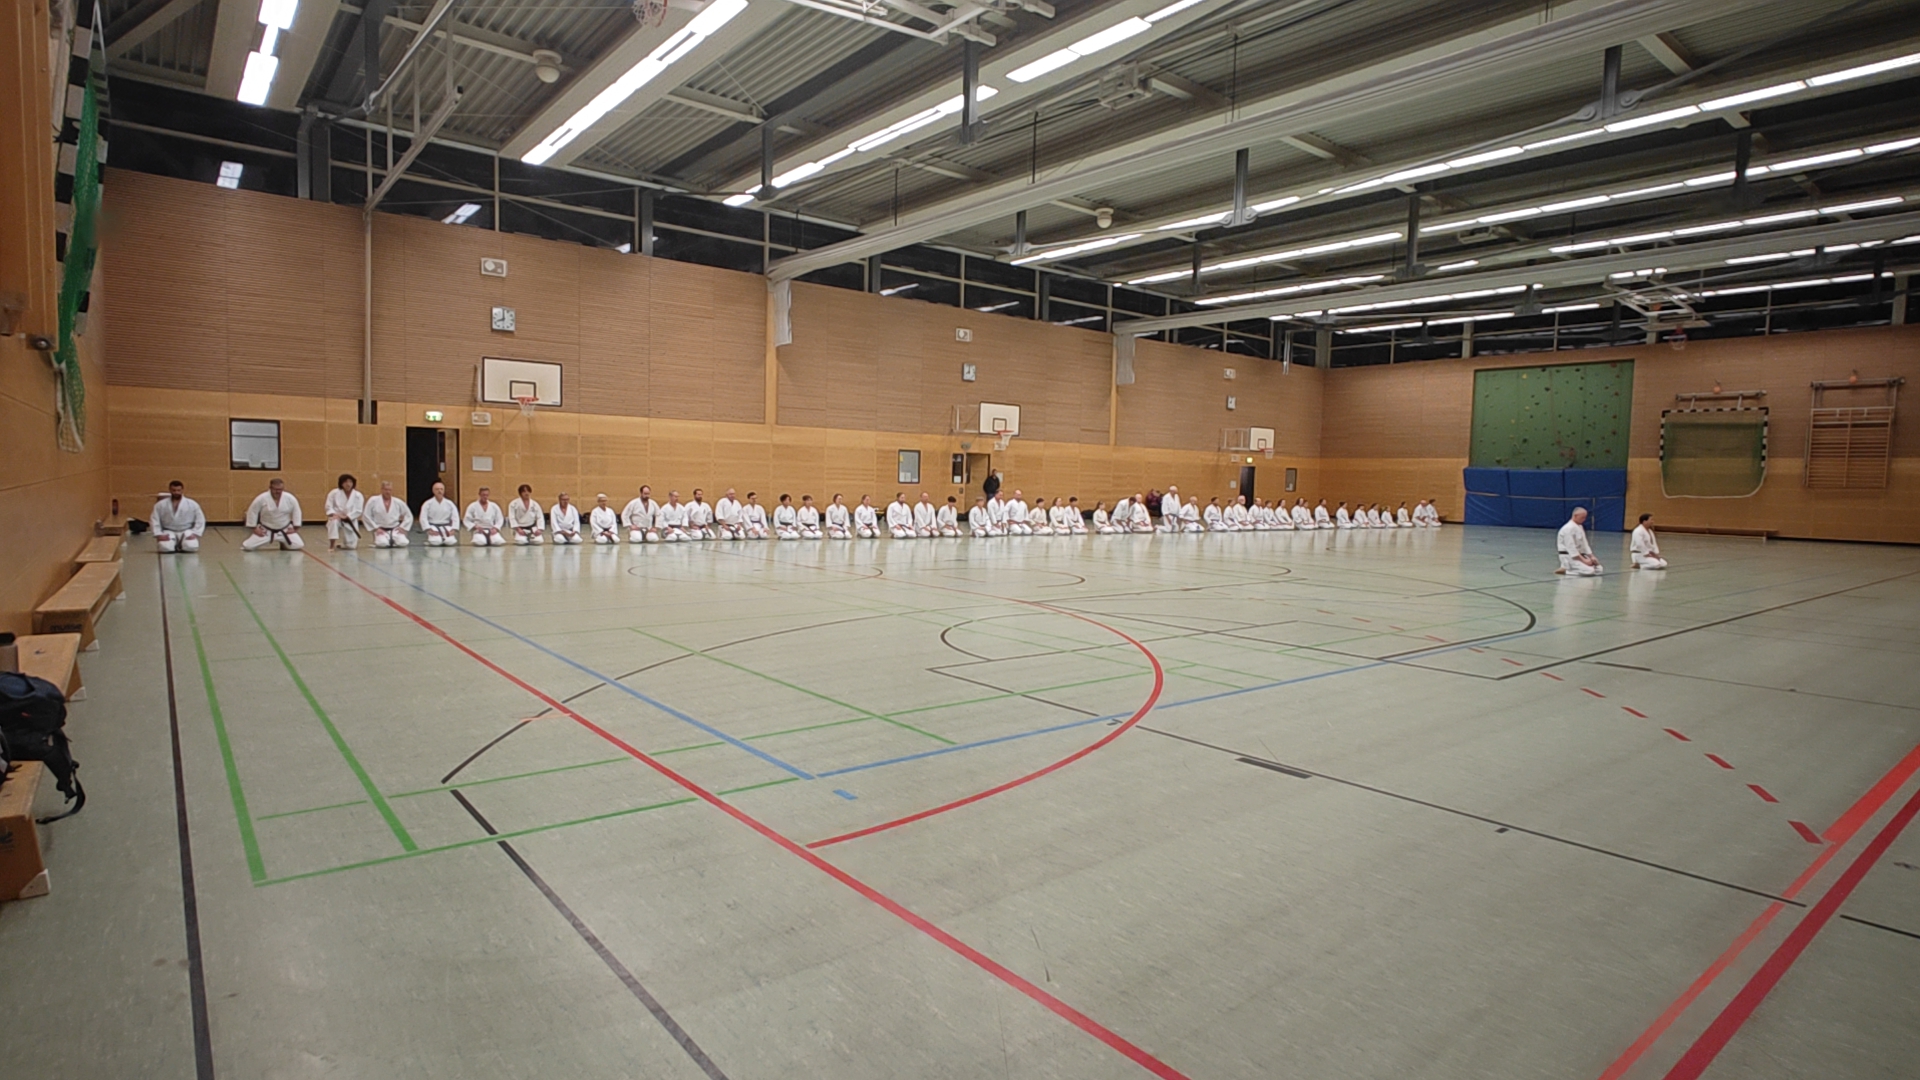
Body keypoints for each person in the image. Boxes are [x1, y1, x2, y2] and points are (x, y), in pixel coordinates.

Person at [243, 478, 304, 551]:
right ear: (270, 488)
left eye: (280, 489)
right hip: (266, 530)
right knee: (248, 546)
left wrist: (295, 528)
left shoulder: (290, 498)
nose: (278, 492)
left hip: (284, 530)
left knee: (298, 545)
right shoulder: (262, 498)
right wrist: (254, 529)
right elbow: (252, 511)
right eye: (275, 489)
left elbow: (297, 512)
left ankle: (283, 543)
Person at [151, 480, 206, 553]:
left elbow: (200, 519)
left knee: (191, 546)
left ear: (182, 490)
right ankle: (175, 544)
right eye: (174, 490)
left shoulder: (192, 504)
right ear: (170, 490)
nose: (176, 492)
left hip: (186, 530)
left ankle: (181, 544)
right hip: (168, 531)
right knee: (165, 547)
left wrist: (195, 533)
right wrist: (158, 534)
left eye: (178, 490)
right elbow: (154, 520)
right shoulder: (160, 505)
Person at [363, 481, 413, 547]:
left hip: (395, 529)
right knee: (382, 544)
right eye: (386, 489)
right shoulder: (373, 500)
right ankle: (385, 540)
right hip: (380, 529)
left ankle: (392, 540)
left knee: (403, 542)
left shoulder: (398, 501)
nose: (388, 492)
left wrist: (403, 527)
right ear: (381, 489)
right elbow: (366, 515)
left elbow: (408, 515)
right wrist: (376, 528)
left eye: (390, 490)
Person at [1556, 506, 1602, 576]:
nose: (1584, 519)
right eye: (1582, 517)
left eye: (1585, 517)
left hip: (1580, 555)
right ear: (1575, 516)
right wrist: (1584, 561)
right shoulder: (1567, 529)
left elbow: (1584, 544)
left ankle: (1570, 568)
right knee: (1589, 571)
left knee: (1599, 569)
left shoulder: (1580, 527)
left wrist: (1591, 557)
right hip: (1569, 556)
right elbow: (1571, 548)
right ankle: (1566, 570)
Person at [325, 474, 364, 550]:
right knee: (333, 522)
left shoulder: (358, 495)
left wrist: (346, 517)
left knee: (351, 546)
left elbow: (358, 510)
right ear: (341, 483)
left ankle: (342, 545)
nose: (348, 484)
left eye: (350, 482)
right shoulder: (334, 493)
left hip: (350, 519)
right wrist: (335, 514)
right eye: (345, 482)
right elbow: (328, 506)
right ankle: (332, 545)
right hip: (336, 517)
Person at [420, 482, 460, 546]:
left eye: (441, 489)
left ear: (444, 491)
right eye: (437, 489)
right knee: (436, 542)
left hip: (446, 526)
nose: (439, 491)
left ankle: (443, 539)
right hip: (433, 526)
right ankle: (433, 539)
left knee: (450, 542)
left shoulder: (449, 503)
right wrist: (428, 529)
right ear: (433, 491)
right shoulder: (427, 503)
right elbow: (423, 517)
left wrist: (454, 529)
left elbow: (455, 517)